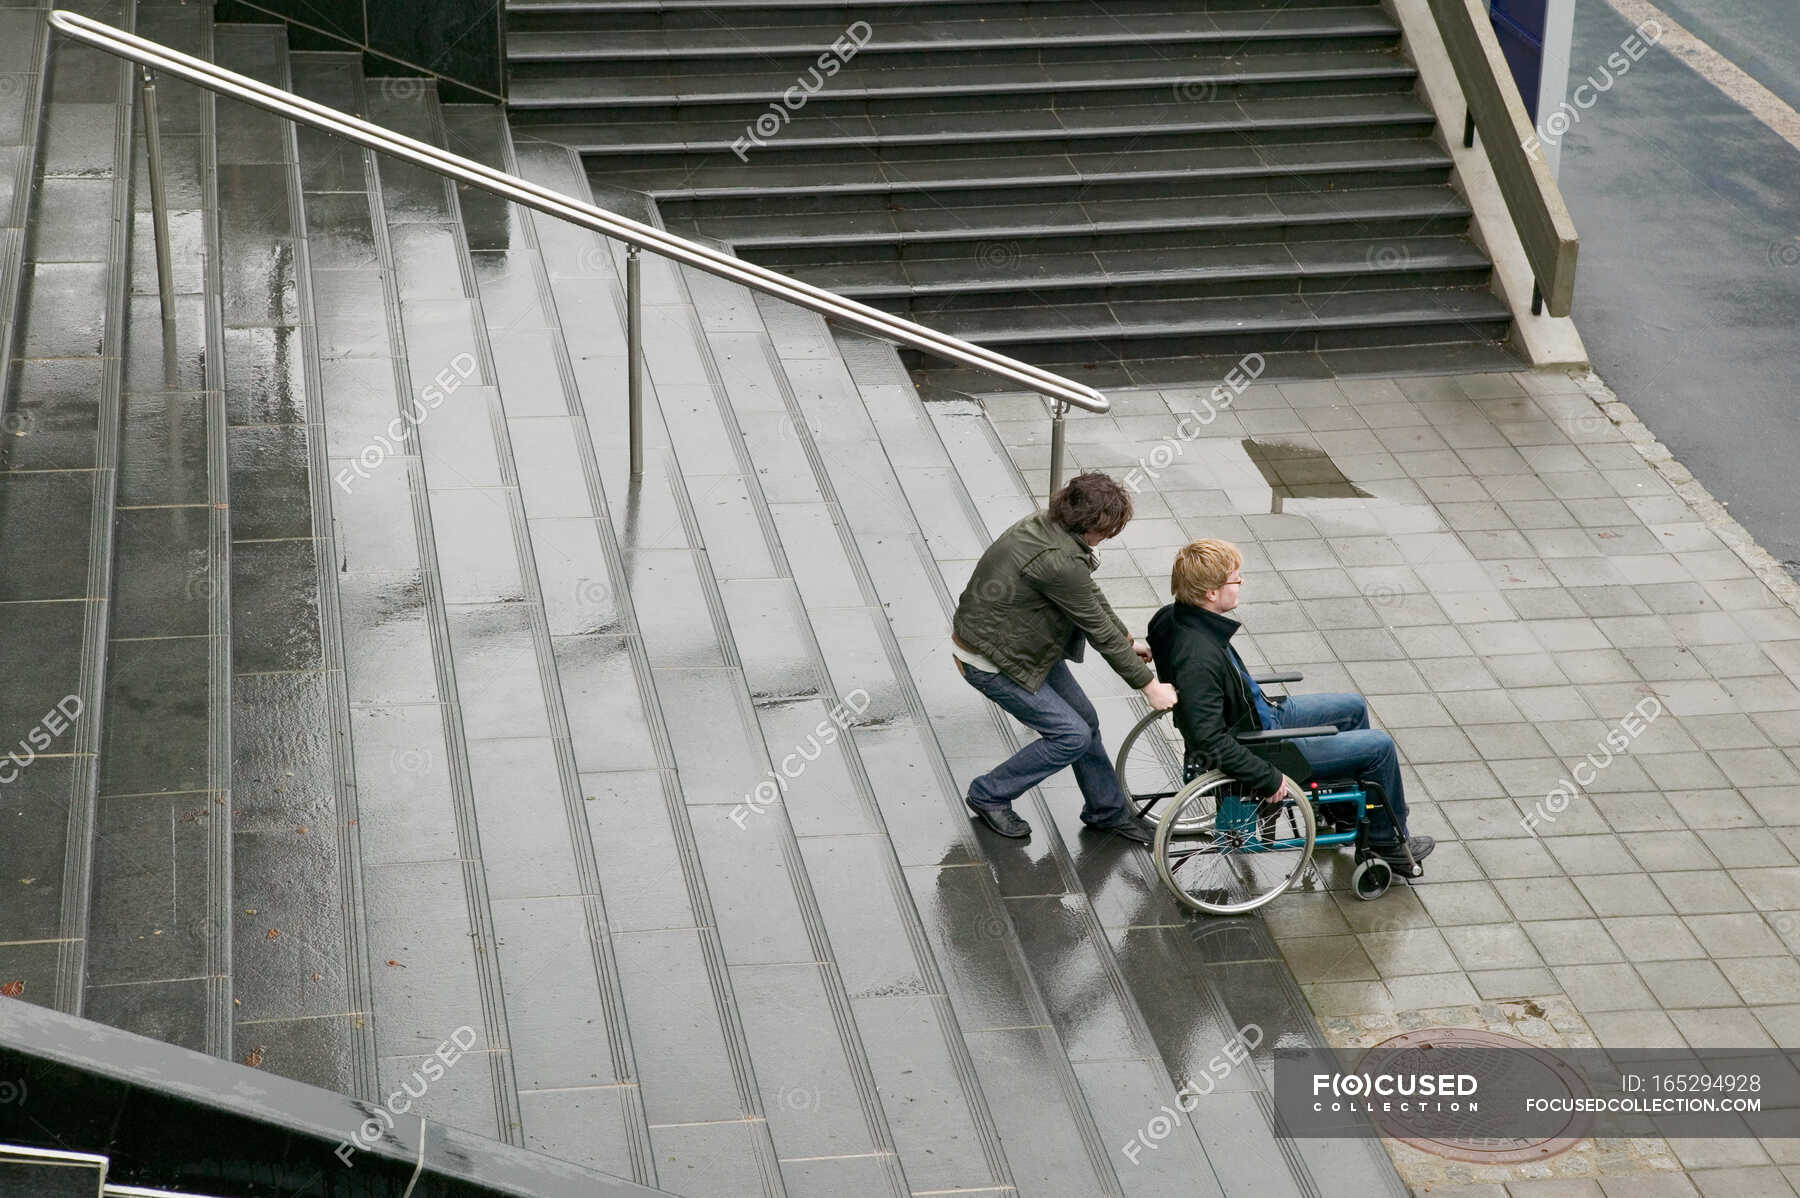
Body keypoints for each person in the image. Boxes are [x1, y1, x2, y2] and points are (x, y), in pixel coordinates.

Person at [1146, 539, 1433, 875]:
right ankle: (1387, 843)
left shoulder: (1171, 617)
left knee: (1353, 707)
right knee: (1380, 746)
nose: (1241, 585)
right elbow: (1208, 738)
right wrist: (1266, 777)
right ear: (1211, 592)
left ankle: (1345, 813)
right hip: (1260, 744)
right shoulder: (1198, 657)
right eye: (1235, 580)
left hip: (1255, 712)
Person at [953, 472, 1179, 844]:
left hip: (1022, 646)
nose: (1106, 539)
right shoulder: (1057, 559)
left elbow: (1088, 595)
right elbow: (1097, 629)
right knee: (1070, 735)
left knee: (1085, 721)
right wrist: (1149, 685)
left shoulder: (1052, 525)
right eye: (1107, 532)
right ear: (1092, 525)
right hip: (992, 661)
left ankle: (1106, 811)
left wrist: (1126, 639)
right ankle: (989, 794)